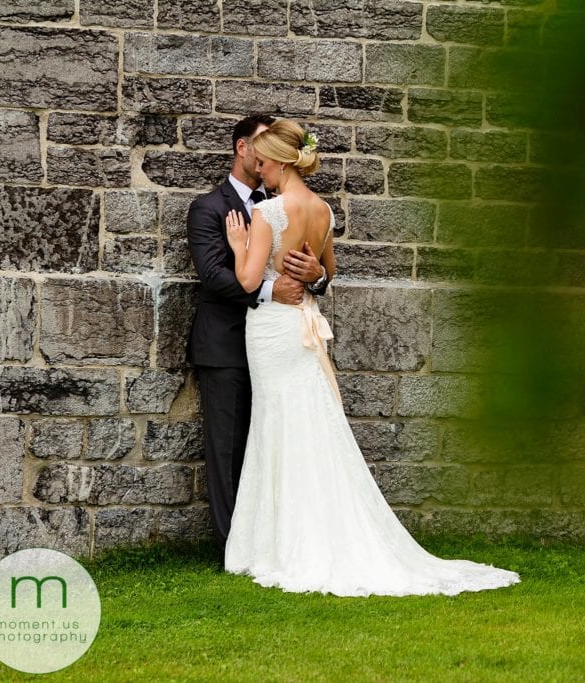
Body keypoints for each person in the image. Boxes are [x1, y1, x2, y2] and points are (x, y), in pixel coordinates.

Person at [222, 119, 521, 596]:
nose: (259, 171)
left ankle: (281, 544)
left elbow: (246, 280)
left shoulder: (267, 214)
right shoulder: (323, 211)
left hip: (275, 331)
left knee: (277, 423)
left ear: (277, 160)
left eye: (261, 163)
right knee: (304, 422)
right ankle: (302, 535)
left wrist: (239, 247)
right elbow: (328, 273)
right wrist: (316, 270)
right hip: (304, 324)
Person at [186, 114, 331, 565]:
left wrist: (317, 275)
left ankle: (275, 543)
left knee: (277, 440)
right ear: (243, 149)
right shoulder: (209, 206)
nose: (264, 160)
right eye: (259, 146)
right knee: (230, 450)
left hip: (277, 340)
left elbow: (319, 269)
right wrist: (274, 288)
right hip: (228, 345)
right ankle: (237, 546)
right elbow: (212, 276)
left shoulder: (277, 205)